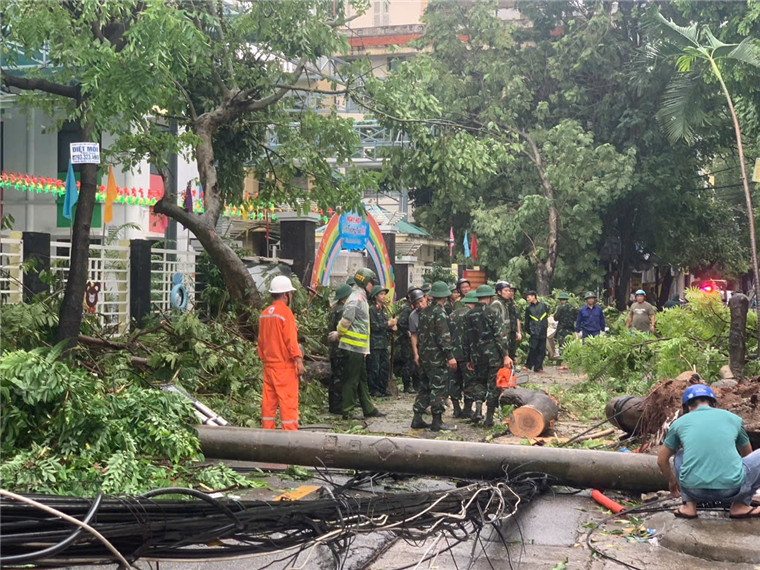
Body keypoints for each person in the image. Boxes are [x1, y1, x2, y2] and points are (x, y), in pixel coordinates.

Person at [657, 384, 760, 519]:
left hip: (693, 490)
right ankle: (740, 505)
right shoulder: (734, 419)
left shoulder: (679, 423)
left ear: (688, 406)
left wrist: (672, 481)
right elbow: (748, 455)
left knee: (680, 454)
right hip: (732, 490)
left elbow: (661, 460)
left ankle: (689, 505)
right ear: (712, 403)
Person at [330, 268, 385, 420]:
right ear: (365, 282)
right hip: (352, 346)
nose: (373, 286)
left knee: (362, 379)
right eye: (371, 282)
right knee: (352, 379)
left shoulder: (361, 297)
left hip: (359, 347)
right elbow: (346, 320)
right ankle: (347, 411)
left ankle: (368, 408)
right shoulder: (355, 299)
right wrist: (339, 333)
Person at [258, 275, 304, 430]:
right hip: (284, 367)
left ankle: (266, 436)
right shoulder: (285, 313)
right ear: (286, 295)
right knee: (288, 403)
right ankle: (290, 441)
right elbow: (291, 340)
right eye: (290, 293)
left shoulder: (264, 314)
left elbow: (261, 341)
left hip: (268, 365)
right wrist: (298, 360)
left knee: (268, 403)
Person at [413, 281, 458, 432]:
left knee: (425, 387)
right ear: (445, 295)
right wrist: (450, 356)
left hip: (425, 356)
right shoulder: (439, 313)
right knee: (438, 388)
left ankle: (417, 417)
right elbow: (444, 337)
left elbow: (421, 334)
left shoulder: (425, 312)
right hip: (436, 357)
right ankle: (437, 421)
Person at [465, 285, 512, 427]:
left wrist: (469, 358)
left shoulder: (469, 315)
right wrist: (505, 355)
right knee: (494, 385)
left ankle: (478, 408)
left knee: (479, 382)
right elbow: (500, 335)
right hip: (493, 356)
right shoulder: (493, 312)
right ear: (490, 297)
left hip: (477, 356)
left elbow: (467, 338)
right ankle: (489, 418)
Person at [367, 285, 397, 397]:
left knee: (385, 367)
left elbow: (384, 326)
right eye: (381, 294)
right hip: (375, 344)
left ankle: (383, 388)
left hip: (383, 343)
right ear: (375, 296)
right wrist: (388, 324)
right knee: (374, 368)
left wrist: (391, 328)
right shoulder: (372, 310)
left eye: (384, 294)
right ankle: (374, 390)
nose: (384, 296)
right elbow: (374, 326)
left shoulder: (383, 310)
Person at [408, 288, 432, 428]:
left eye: (421, 301)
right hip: (424, 352)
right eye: (417, 303)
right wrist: (416, 354)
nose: (420, 305)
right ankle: (420, 415)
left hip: (436, 352)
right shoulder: (413, 316)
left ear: (426, 298)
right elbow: (414, 335)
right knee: (427, 385)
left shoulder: (434, 312)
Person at [327, 284, 352, 414]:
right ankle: (338, 407)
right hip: (341, 349)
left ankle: (333, 405)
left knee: (334, 378)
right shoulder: (342, 310)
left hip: (333, 349)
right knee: (340, 379)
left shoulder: (334, 308)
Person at [395, 288, 419, 393]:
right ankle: (407, 385)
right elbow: (401, 323)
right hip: (407, 340)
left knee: (416, 364)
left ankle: (416, 384)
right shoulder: (407, 309)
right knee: (408, 363)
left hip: (416, 339)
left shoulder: (417, 308)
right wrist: (407, 331)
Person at [522, 291, 548, 373]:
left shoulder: (543, 305)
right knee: (533, 348)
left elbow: (546, 316)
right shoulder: (528, 308)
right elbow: (527, 321)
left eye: (528, 297)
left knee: (541, 350)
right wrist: (529, 330)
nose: (527, 299)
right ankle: (528, 365)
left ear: (534, 297)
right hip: (534, 332)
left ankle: (538, 367)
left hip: (543, 331)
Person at [554, 293, 577, 371]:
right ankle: (570, 364)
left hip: (562, 330)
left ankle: (563, 364)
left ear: (561, 300)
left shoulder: (560, 308)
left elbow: (555, 318)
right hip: (570, 330)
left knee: (562, 347)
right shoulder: (573, 308)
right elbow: (576, 318)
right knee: (569, 347)